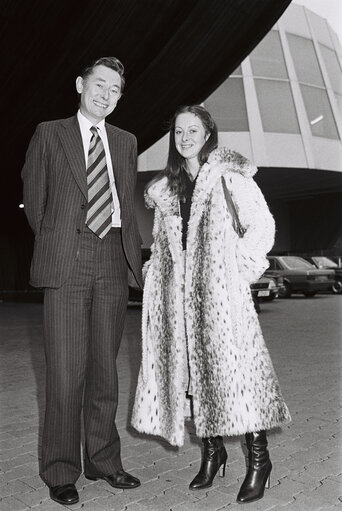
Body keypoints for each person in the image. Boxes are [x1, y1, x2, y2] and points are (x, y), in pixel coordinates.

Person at [131, 105, 291, 504]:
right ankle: (213, 452)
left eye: (193, 131)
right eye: (179, 132)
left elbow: (262, 226)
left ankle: (259, 460)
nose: (184, 138)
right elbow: (166, 245)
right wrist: (156, 273)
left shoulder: (227, 176)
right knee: (194, 378)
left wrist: (236, 272)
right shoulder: (166, 188)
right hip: (178, 299)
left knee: (238, 378)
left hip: (221, 298)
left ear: (207, 135)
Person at [22, 56, 142, 506]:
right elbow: (35, 202)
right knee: (66, 372)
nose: (106, 94)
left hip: (112, 256)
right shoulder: (50, 133)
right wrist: (60, 243)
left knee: (104, 371)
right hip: (68, 259)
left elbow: (125, 203)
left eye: (115, 89)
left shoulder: (126, 141)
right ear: (80, 84)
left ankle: (103, 461)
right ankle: (60, 470)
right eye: (99, 84)